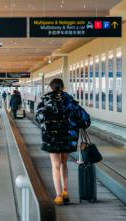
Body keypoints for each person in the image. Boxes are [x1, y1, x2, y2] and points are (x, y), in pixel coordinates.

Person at [35, 78, 79, 206]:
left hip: (51, 138)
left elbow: (38, 117)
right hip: (67, 136)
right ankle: (65, 192)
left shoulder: (45, 100)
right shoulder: (70, 100)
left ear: (51, 87)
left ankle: (59, 196)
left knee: (56, 165)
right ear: (63, 87)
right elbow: (82, 117)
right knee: (64, 164)